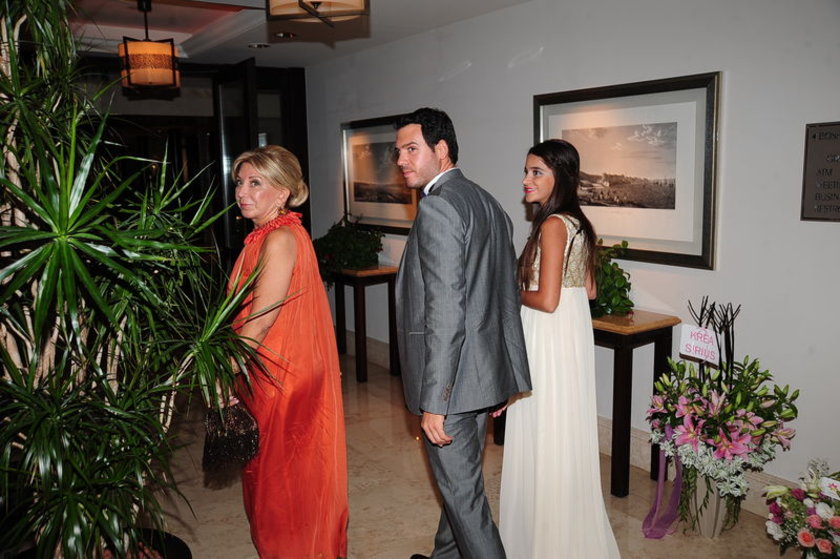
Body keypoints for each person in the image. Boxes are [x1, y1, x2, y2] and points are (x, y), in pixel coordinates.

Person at [394, 107, 531, 559]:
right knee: (461, 488)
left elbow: (446, 312)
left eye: (411, 149)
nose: (401, 160)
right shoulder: (488, 203)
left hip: (450, 387)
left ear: (441, 149)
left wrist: (435, 400)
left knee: (466, 500)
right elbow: (502, 297)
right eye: (398, 152)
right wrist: (500, 379)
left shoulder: (438, 206)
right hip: (478, 378)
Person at [498, 139, 621, 558]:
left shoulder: (552, 225)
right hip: (569, 337)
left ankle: (541, 540)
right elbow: (589, 290)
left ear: (561, 177)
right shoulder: (579, 223)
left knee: (542, 431)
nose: (526, 179)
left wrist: (508, 289)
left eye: (537, 172)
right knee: (561, 431)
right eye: (526, 171)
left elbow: (547, 300)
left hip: (546, 337)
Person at [227, 145, 348, 559]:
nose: (242, 192)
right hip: (271, 370)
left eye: (255, 183)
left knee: (281, 482)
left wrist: (223, 369)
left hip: (279, 379)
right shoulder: (271, 235)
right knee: (281, 476)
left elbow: (260, 320)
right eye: (240, 182)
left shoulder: (278, 238)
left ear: (282, 193)